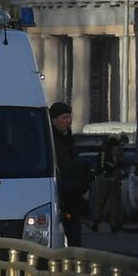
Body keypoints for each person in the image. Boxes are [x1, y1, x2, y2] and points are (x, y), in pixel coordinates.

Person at [49, 102, 90, 247]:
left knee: (74, 243)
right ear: (53, 119)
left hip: (72, 199)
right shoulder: (50, 141)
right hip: (58, 197)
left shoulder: (69, 141)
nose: (69, 121)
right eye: (64, 118)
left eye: (69, 117)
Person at [91, 134, 127, 232]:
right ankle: (113, 224)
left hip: (103, 178)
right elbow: (121, 163)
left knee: (100, 201)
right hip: (114, 179)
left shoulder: (103, 148)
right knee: (114, 202)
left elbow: (98, 164)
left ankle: (96, 221)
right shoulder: (118, 149)